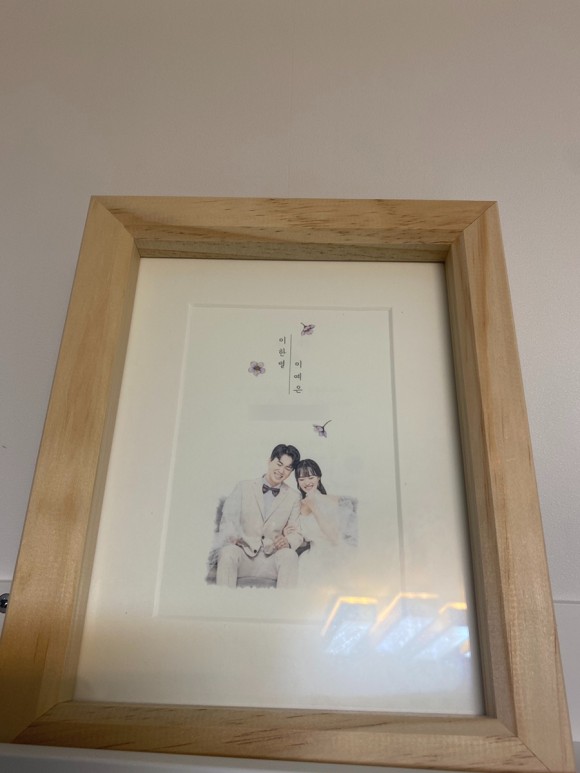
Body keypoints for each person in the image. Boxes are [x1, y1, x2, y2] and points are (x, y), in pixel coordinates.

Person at [215, 444, 303, 588]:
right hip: (244, 555)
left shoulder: (294, 496)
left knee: (290, 556)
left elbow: (297, 532)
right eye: (279, 464)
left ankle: (285, 601)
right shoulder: (243, 487)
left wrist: (287, 541)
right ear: (269, 461)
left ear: (291, 471)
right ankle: (223, 601)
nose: (281, 471)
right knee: (227, 552)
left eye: (287, 468)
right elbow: (228, 519)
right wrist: (232, 535)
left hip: (272, 560)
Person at [288, 458, 357, 588]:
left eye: (311, 477)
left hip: (333, 554)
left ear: (319, 478)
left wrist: (314, 507)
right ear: (297, 481)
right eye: (302, 479)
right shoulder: (297, 505)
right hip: (311, 556)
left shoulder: (331, 501)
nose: (307, 483)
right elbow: (302, 539)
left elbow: (334, 537)